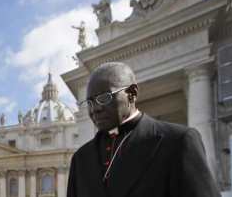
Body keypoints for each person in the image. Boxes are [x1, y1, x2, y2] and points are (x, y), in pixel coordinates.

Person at [67, 62, 220, 197]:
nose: (96, 109)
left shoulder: (178, 141)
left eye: (105, 97)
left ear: (132, 94)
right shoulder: (80, 159)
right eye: (90, 102)